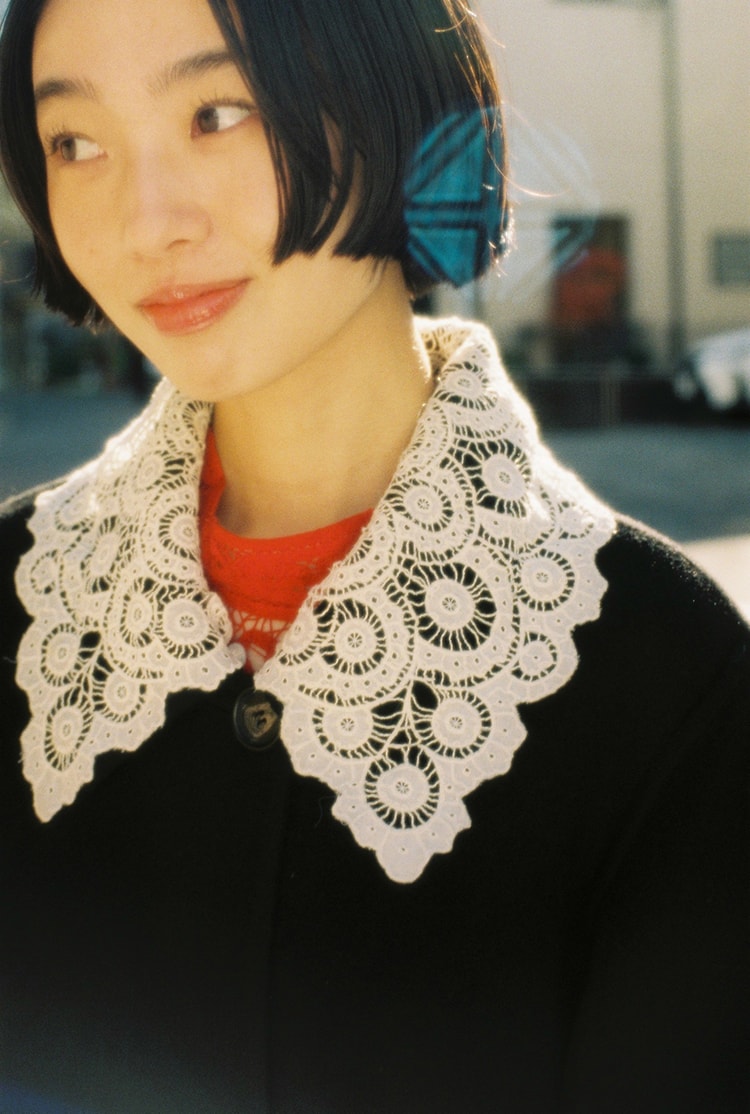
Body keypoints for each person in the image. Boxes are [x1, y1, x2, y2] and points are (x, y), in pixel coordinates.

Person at [0, 0, 747, 1110]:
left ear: (392, 96)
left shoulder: (669, 676)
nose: (144, 222)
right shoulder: (22, 601)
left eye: (218, 113)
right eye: (76, 142)